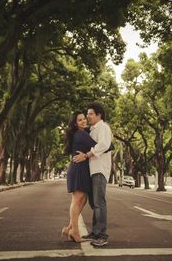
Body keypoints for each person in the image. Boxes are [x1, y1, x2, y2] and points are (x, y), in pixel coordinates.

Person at [73, 102, 112, 247]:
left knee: (99, 203)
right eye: (87, 114)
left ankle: (102, 235)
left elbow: (104, 145)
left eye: (90, 114)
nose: (87, 116)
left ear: (98, 115)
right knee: (94, 203)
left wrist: (86, 155)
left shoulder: (103, 127)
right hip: (91, 169)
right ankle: (95, 232)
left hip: (100, 169)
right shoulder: (92, 130)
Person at [62, 111, 97, 243]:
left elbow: (88, 129)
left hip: (80, 169)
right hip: (79, 169)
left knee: (82, 200)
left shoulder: (79, 133)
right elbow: (98, 146)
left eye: (84, 119)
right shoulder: (81, 134)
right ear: (75, 123)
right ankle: (75, 232)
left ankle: (69, 228)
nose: (84, 121)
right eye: (80, 120)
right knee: (77, 201)